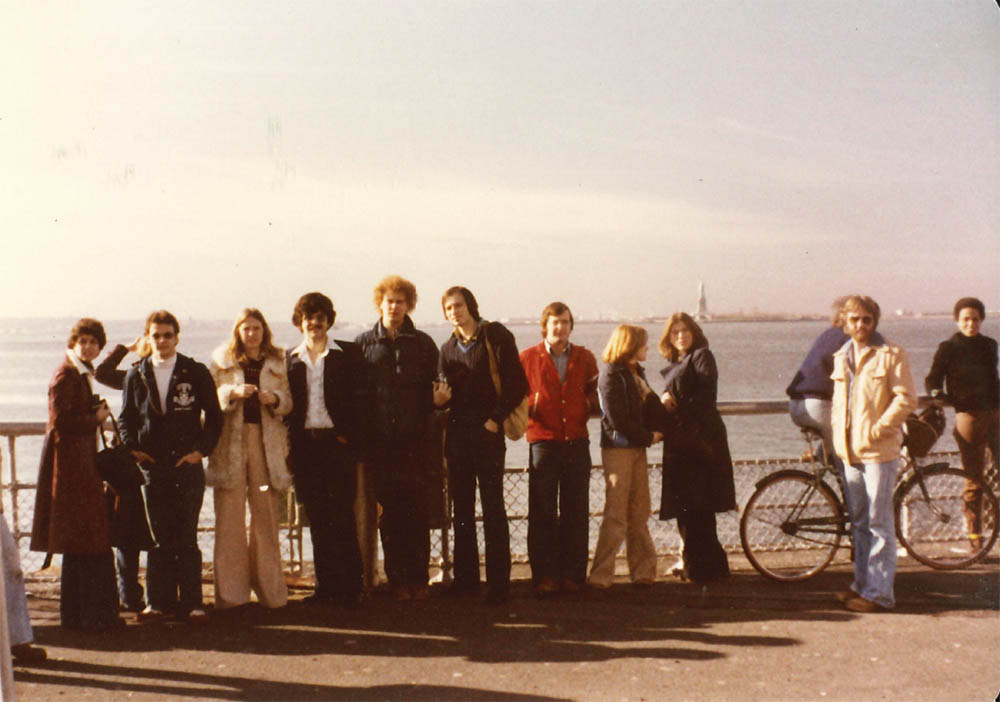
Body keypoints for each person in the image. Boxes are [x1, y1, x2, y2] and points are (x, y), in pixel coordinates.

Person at [119, 311, 223, 623]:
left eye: (168, 335)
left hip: (186, 465)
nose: (162, 341)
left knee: (187, 535)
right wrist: (134, 449)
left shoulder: (194, 371)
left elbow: (215, 417)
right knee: (159, 538)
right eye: (156, 335)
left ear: (177, 337)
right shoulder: (136, 374)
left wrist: (200, 451)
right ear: (148, 339)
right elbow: (126, 417)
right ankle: (158, 603)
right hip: (153, 467)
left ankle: (192, 603)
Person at [355, 276, 446, 601]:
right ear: (380, 303)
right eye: (389, 301)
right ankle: (397, 581)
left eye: (400, 302)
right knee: (389, 516)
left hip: (416, 443)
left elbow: (437, 386)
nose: (394, 307)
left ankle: (418, 579)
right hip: (381, 446)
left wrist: (437, 403)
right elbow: (356, 395)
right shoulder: (364, 344)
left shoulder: (422, 344)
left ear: (409, 305)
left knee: (417, 513)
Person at [437, 286, 528, 605]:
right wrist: (437, 401)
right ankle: (466, 581)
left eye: (459, 305)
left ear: (471, 306)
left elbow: (518, 383)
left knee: (492, 507)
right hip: (459, 437)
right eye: (448, 308)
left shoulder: (495, 335)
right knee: (461, 508)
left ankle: (499, 584)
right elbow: (443, 393)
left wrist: (495, 419)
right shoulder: (447, 348)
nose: (454, 312)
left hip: (488, 434)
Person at [30, 318, 122, 631]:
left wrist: (124, 350)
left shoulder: (78, 372)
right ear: (73, 343)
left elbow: (100, 373)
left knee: (79, 544)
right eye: (83, 341)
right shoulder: (67, 374)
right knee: (88, 541)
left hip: (77, 467)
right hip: (73, 471)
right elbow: (59, 422)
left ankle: (79, 616)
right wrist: (93, 417)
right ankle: (91, 617)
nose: (88, 347)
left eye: (93, 342)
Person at [830, 295, 917, 613]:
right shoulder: (842, 356)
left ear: (874, 321)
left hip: (879, 452)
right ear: (845, 322)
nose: (861, 325)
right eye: (854, 319)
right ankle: (861, 586)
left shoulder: (891, 354)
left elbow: (907, 398)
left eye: (866, 319)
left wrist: (880, 428)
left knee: (880, 523)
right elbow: (841, 404)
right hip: (848, 452)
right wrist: (836, 441)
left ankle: (880, 594)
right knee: (860, 522)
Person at [285, 292, 367, 607]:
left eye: (320, 318)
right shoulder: (290, 359)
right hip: (307, 449)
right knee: (318, 519)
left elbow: (362, 400)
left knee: (343, 516)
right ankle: (326, 587)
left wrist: (349, 437)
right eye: (309, 318)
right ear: (300, 323)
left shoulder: (348, 354)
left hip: (337, 445)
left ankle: (352, 587)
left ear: (328, 321)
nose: (315, 324)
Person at [208, 309, 292, 610]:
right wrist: (232, 392)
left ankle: (271, 592)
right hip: (230, 442)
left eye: (256, 328)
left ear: (264, 330)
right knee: (229, 518)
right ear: (237, 331)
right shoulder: (221, 359)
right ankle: (232, 596)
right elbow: (211, 396)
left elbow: (289, 401)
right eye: (246, 328)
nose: (252, 334)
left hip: (265, 441)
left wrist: (275, 400)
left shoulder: (278, 360)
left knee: (266, 516)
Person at [519, 302, 599, 596]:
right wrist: (534, 406)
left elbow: (596, 391)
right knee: (542, 511)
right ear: (545, 325)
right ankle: (544, 576)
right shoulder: (527, 358)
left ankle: (573, 575)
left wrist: (586, 406)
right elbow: (516, 394)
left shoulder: (584, 357)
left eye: (565, 322)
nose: (560, 328)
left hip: (577, 441)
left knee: (576, 511)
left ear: (570, 325)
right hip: (543, 441)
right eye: (554, 322)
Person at [657, 313, 736, 585]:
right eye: (675, 332)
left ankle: (701, 569)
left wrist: (671, 399)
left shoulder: (702, 356)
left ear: (694, 332)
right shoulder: (679, 360)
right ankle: (706, 567)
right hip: (685, 441)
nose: (681, 335)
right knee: (692, 508)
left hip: (699, 442)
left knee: (696, 507)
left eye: (685, 330)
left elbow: (705, 396)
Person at [588, 324, 662, 591]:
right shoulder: (611, 375)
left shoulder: (634, 373)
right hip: (618, 449)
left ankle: (643, 571)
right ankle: (600, 575)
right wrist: (648, 437)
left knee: (640, 510)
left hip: (636, 448)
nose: (647, 348)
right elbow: (618, 419)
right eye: (643, 343)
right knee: (617, 513)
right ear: (630, 345)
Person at [925, 297, 999, 552]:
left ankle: (992, 527)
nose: (971, 323)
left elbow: (993, 379)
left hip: (996, 414)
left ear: (981, 320)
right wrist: (936, 393)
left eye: (975, 319)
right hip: (969, 417)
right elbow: (933, 379)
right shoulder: (949, 347)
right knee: (974, 479)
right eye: (966, 319)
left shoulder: (990, 345)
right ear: (958, 320)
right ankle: (975, 536)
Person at [95, 334, 154, 613]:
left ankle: (142, 594)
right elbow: (102, 372)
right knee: (127, 534)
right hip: (129, 463)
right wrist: (123, 348)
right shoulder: (133, 376)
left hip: (150, 460)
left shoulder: (169, 377)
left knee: (140, 533)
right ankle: (130, 595)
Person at [786, 297, 884, 464]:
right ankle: (843, 480)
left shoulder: (827, 334)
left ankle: (822, 454)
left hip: (797, 405)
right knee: (850, 462)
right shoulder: (851, 338)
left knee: (839, 451)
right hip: (818, 406)